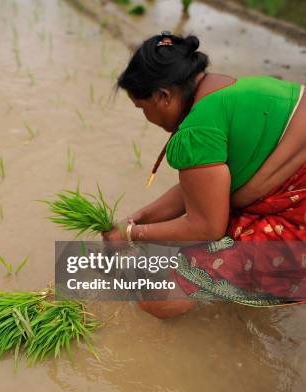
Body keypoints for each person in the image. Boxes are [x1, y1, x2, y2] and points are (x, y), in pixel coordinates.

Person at [104, 32, 306, 318]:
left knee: (158, 300)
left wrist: (133, 235)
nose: (146, 117)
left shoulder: (197, 131)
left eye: (142, 108)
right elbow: (200, 188)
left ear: (162, 96)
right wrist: (135, 221)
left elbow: (206, 226)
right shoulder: (222, 89)